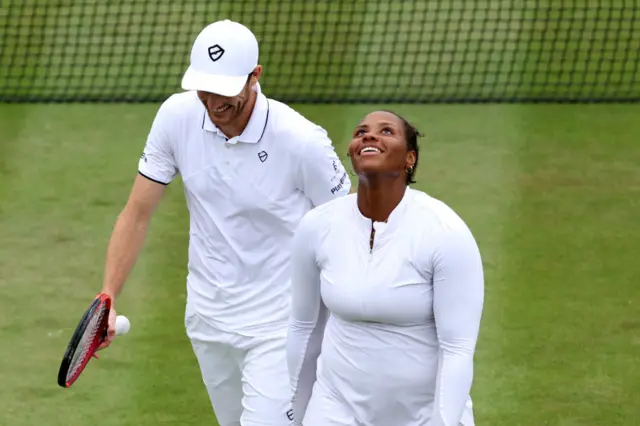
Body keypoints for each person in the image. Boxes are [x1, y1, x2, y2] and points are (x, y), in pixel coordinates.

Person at [96, 19, 352, 426]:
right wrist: (107, 296)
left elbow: (348, 228)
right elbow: (136, 213)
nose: (214, 102)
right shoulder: (175, 118)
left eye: (226, 90)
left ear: (256, 77)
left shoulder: (303, 142)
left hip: (283, 324)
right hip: (208, 320)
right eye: (205, 88)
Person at [286, 110, 484, 426]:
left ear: (409, 159)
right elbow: (303, 328)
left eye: (386, 131)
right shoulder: (316, 227)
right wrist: (293, 415)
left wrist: (443, 421)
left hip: (422, 415)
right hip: (335, 408)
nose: (369, 135)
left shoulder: (445, 231)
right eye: (361, 131)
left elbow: (457, 348)